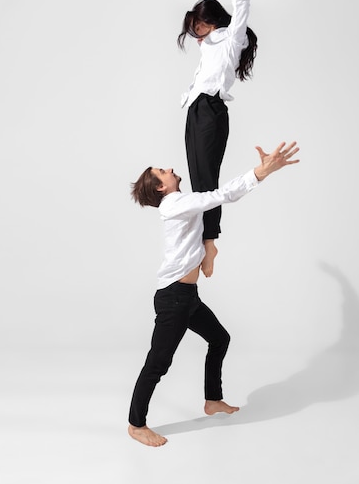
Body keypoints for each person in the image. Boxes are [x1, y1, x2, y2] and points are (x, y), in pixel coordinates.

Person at [128, 141, 300, 447]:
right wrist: (262, 172)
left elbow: (210, 208)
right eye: (161, 172)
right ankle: (136, 424)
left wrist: (209, 247)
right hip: (173, 299)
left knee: (220, 338)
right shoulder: (175, 204)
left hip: (187, 296)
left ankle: (212, 401)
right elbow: (222, 196)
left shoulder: (182, 201)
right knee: (158, 363)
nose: (168, 169)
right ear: (160, 188)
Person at [177, 0, 258, 278]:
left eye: (198, 25)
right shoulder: (209, 40)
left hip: (211, 111)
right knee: (198, 181)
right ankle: (202, 240)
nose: (195, 32)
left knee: (207, 181)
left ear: (211, 23)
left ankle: (210, 243)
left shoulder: (231, 38)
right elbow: (213, 19)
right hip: (194, 110)